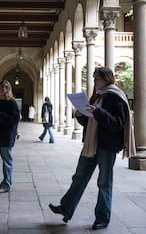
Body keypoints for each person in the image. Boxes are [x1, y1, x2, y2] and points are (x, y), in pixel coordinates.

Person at [48, 67, 135, 230]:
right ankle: (66, 208)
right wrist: (81, 116)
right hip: (91, 143)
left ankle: (102, 217)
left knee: (104, 182)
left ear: (106, 79)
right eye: (94, 78)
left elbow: (117, 123)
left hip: (107, 146)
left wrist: (98, 112)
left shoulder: (116, 97)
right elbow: (90, 122)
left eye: (97, 79)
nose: (94, 82)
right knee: (79, 176)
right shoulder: (97, 96)